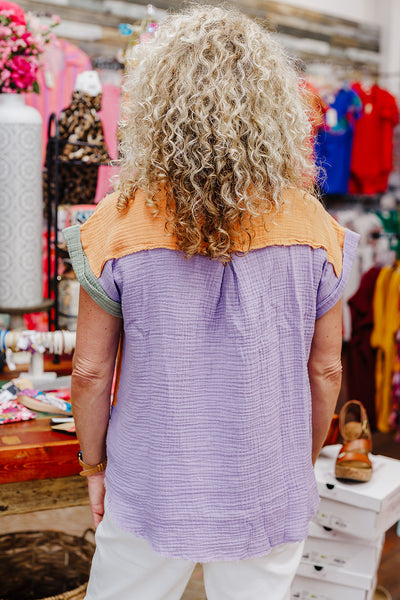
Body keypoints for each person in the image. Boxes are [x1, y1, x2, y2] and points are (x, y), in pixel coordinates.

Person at [64, 6, 359, 600]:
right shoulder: (314, 225)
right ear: (272, 107)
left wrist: (95, 469)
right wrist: (293, 463)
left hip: (148, 483)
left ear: (159, 103)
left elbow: (90, 373)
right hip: (266, 487)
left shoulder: (118, 222)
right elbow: (326, 369)